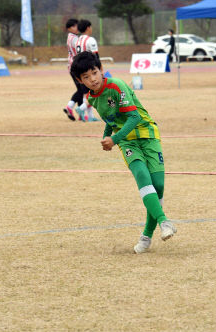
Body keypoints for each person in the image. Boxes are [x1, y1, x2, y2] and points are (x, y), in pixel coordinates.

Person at [70, 51, 177, 254]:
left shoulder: (116, 85)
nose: (92, 79)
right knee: (142, 176)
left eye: (94, 72)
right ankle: (165, 222)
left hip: (147, 133)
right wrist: (107, 136)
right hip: (127, 142)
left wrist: (113, 139)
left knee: (158, 186)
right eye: (86, 77)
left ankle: (146, 236)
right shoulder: (92, 99)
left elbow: (134, 117)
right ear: (79, 80)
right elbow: (111, 120)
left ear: (101, 70)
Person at [75, 19, 99, 122]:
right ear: (88, 27)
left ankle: (90, 116)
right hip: (89, 69)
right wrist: (99, 69)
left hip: (80, 69)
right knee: (96, 92)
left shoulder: (78, 40)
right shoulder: (90, 40)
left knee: (86, 93)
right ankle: (81, 108)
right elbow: (95, 56)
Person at [63, 18, 80, 121]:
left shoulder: (70, 37)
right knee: (83, 90)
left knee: (81, 89)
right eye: (74, 26)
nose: (77, 27)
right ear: (69, 28)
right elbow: (79, 51)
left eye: (77, 25)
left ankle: (80, 115)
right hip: (76, 66)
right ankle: (70, 106)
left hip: (72, 65)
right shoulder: (74, 38)